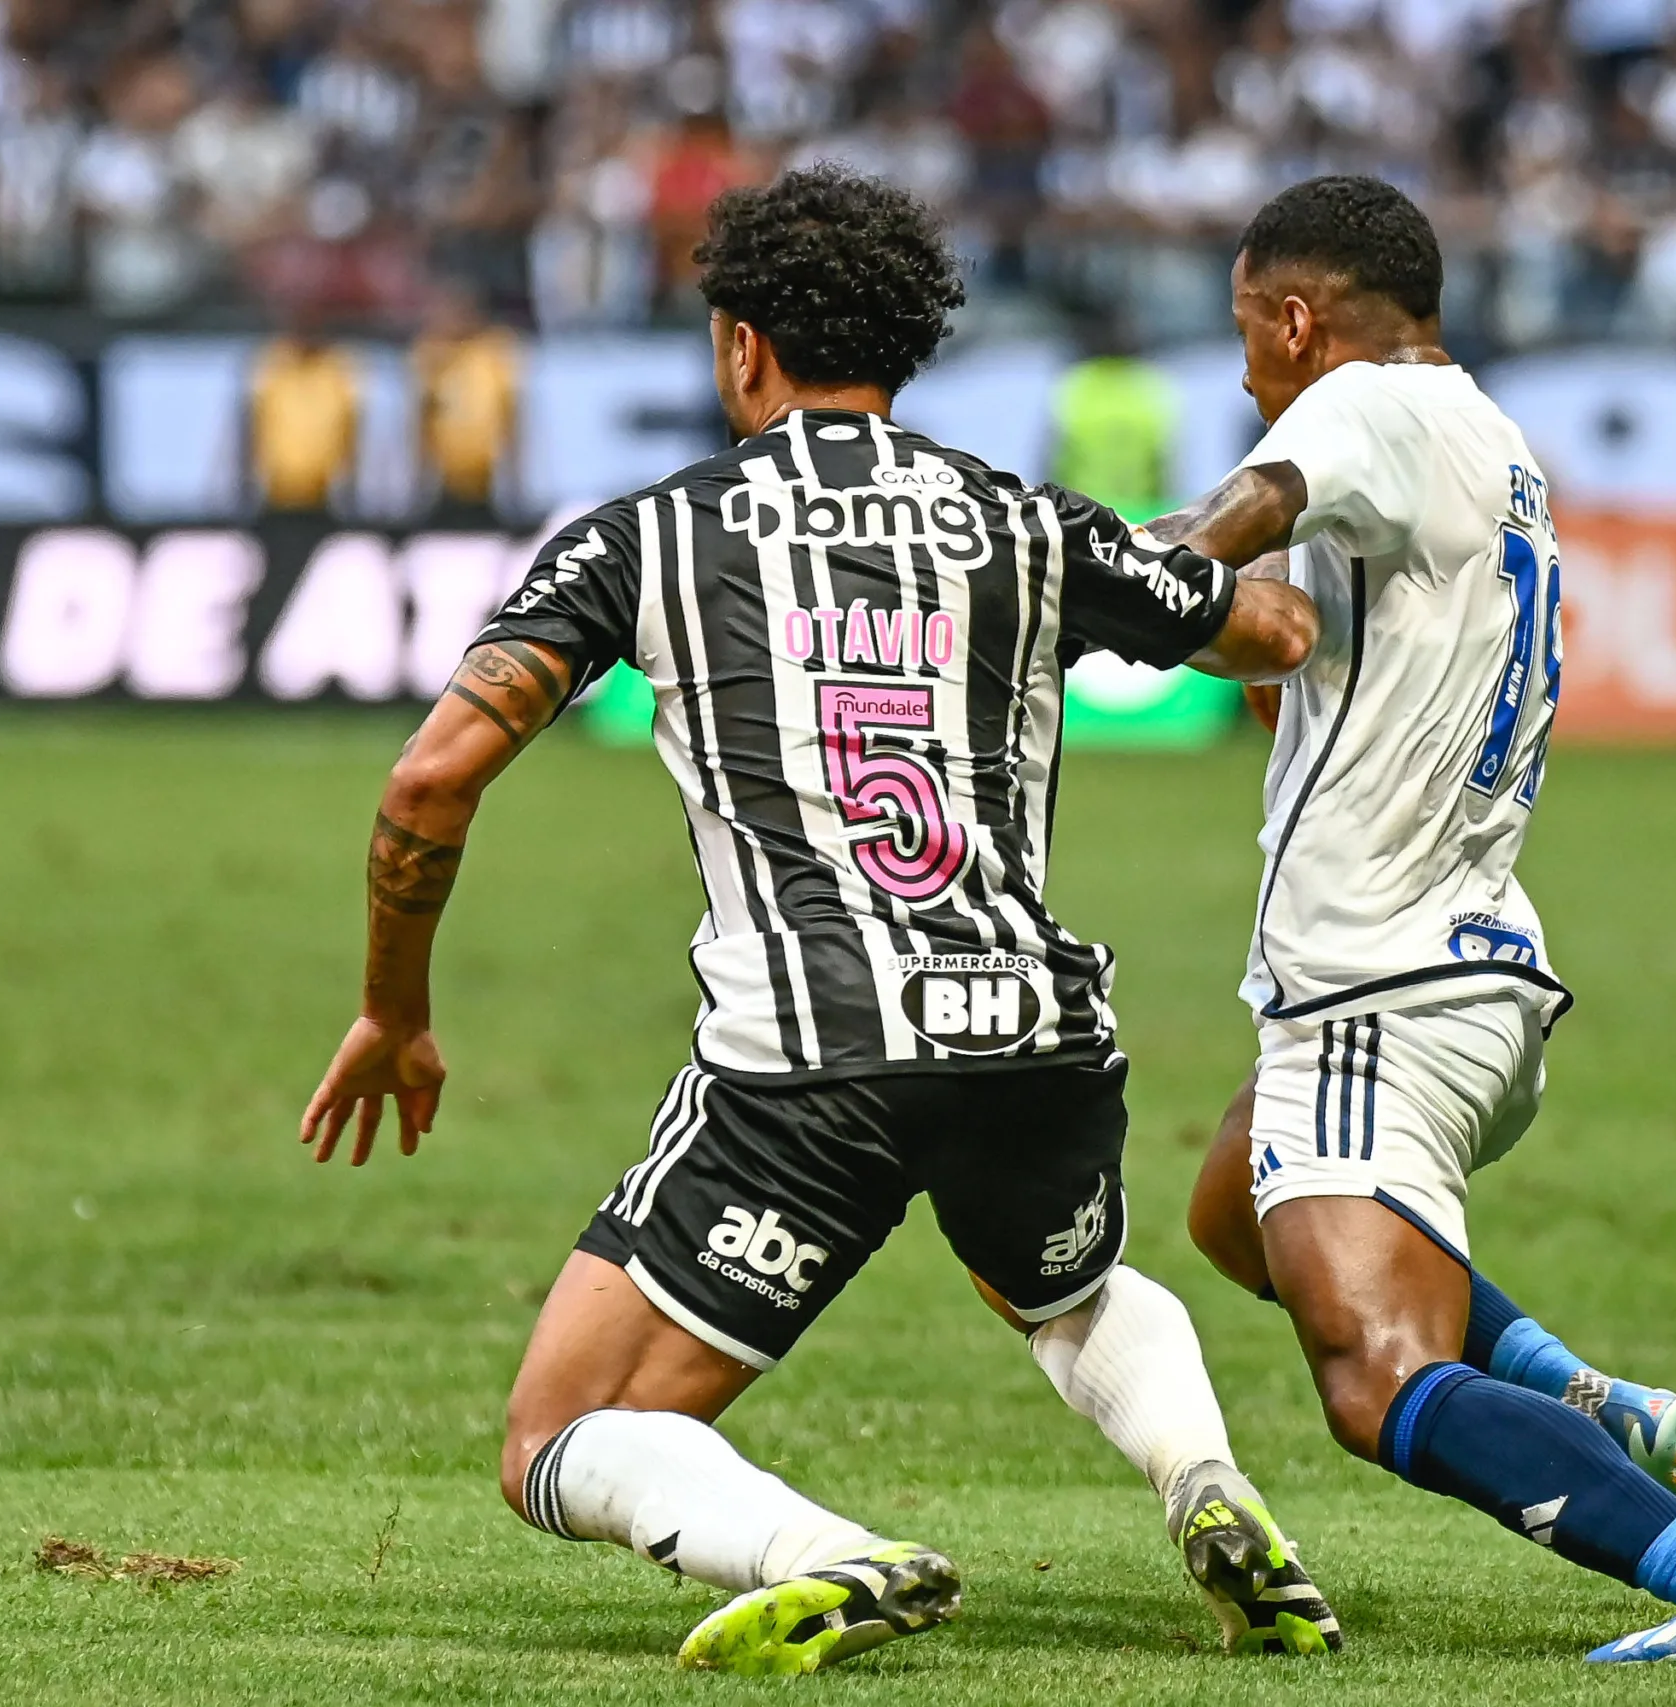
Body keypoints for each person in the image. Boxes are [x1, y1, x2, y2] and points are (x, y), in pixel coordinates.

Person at [298, 165, 1336, 1676]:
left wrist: (395, 1006)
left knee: (557, 1433)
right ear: (908, 346)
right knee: (1062, 1285)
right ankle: (1209, 1483)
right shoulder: (1025, 521)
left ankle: (823, 1554)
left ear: (738, 344)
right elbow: (1270, 631)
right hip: (1032, 1034)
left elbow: (427, 781)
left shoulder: (644, 537)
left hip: (809, 1063)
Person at [1145, 174, 1676, 1665]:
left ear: (1299, 319)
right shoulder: (1490, 442)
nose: (1242, 374)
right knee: (1236, 1208)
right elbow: (1282, 638)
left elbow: (1211, 538)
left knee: (1370, 1368)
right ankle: (1588, 1395)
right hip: (1469, 962)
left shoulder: (1356, 413)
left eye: (1246, 336)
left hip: (1379, 983)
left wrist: (1019, 563)